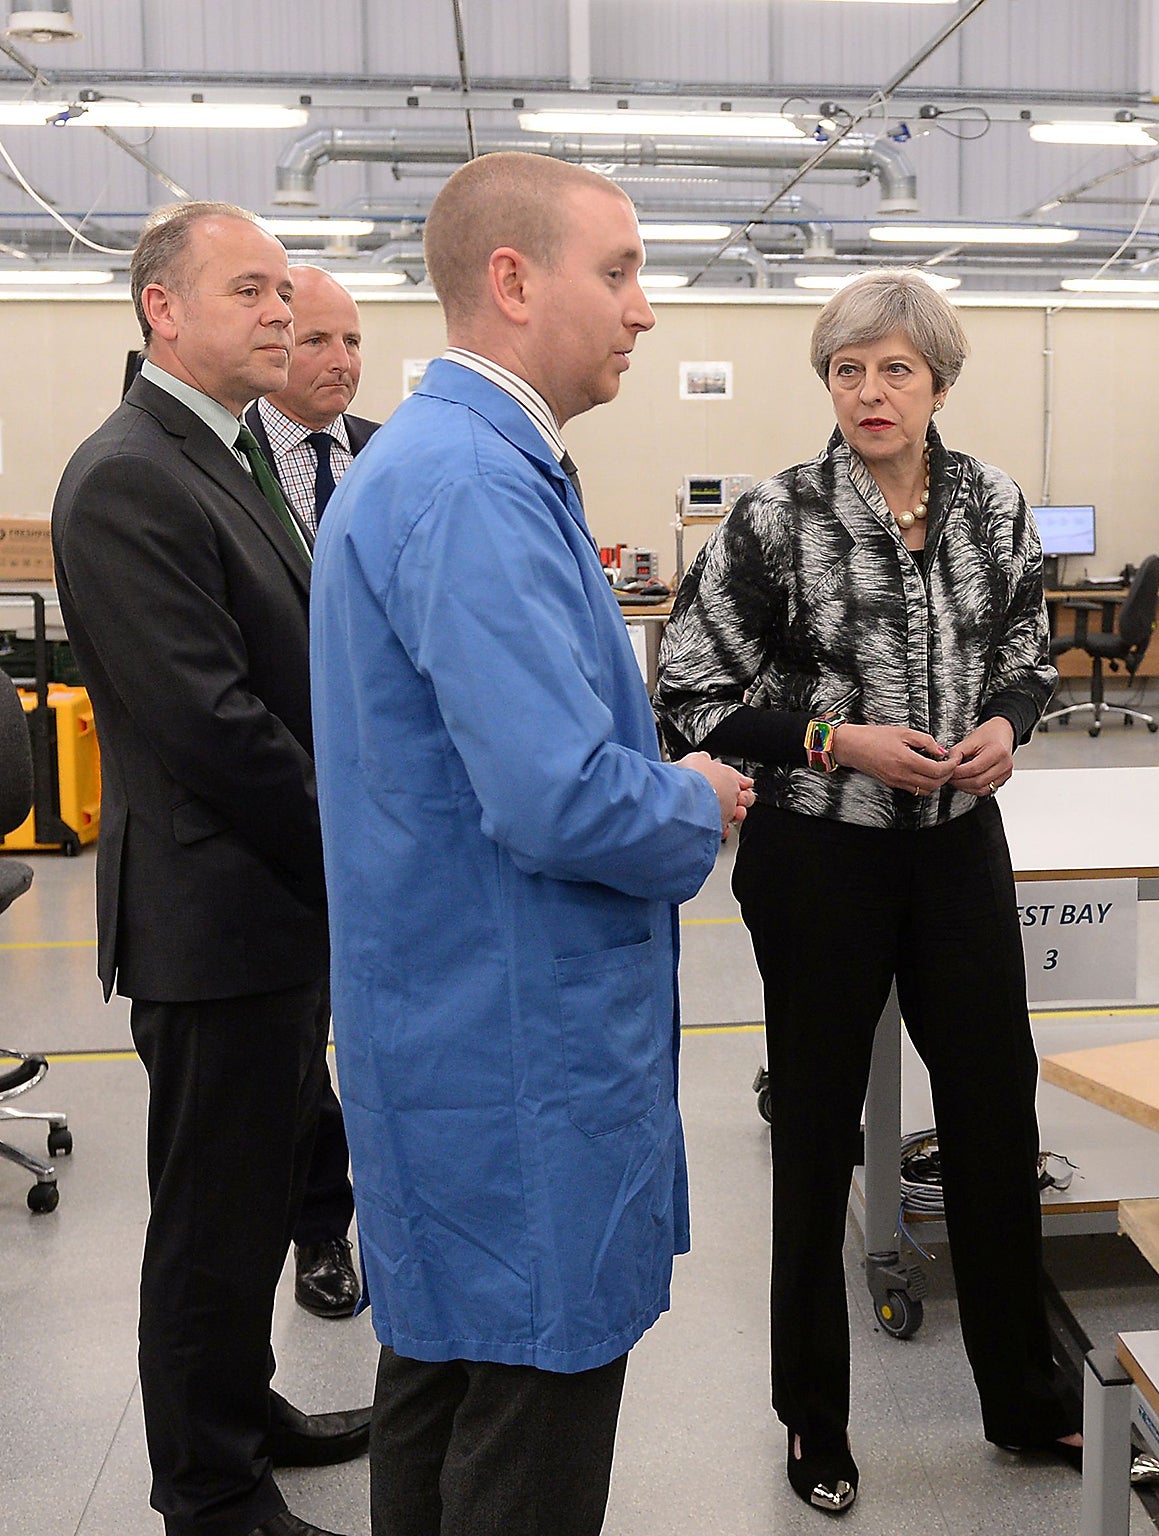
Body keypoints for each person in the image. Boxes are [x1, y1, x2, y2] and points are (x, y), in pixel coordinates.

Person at [308, 152, 751, 1536]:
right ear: (512, 282)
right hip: (515, 1053)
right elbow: (557, 797)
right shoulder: (473, 492)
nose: (643, 310)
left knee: (442, 1391)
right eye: (616, 272)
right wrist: (698, 800)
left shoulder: (458, 468)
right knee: (524, 1428)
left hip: (460, 1035)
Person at [655, 269, 1079, 1517]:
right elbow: (688, 689)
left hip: (955, 846)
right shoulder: (774, 517)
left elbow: (1027, 653)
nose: (868, 390)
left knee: (996, 1123)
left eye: (893, 368)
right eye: (846, 369)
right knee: (817, 1134)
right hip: (819, 857)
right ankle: (813, 1423)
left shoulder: (994, 504)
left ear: (937, 380)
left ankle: (1023, 1402)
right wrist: (839, 741)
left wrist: (1008, 723)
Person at [50, 201, 369, 1536]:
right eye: (250, 292)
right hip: (215, 912)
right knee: (209, 1224)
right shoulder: (130, 473)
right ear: (161, 310)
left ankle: (246, 1415)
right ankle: (209, 1491)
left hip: (267, 911)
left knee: (253, 1202)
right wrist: (363, 851)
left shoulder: (226, 452)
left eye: (280, 296)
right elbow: (212, 723)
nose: (281, 316)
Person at [243, 263, 377, 1321]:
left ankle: (401, 1207)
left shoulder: (388, 457)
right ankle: (319, 1228)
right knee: (297, 1046)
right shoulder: (235, 470)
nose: (337, 362)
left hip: (394, 806)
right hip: (285, 806)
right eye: (315, 341)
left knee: (394, 1023)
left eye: (351, 343)